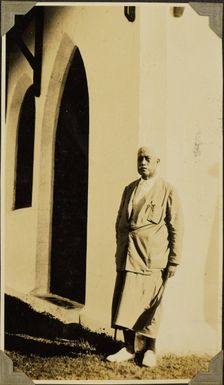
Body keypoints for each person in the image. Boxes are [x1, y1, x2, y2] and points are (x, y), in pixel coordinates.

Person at [106, 146, 184, 367]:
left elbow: (176, 227)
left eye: (148, 158)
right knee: (124, 302)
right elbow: (120, 220)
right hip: (128, 255)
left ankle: (150, 350)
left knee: (152, 305)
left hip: (152, 258)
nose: (143, 162)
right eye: (140, 158)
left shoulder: (168, 190)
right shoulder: (129, 189)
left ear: (157, 161)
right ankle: (129, 348)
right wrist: (120, 247)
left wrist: (174, 260)